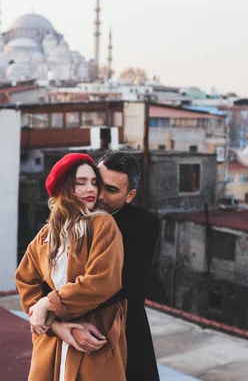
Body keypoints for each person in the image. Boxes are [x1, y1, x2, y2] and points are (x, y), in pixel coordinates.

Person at [14, 153, 127, 381]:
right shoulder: (46, 235)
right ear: (65, 188)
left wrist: (49, 302)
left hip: (95, 334)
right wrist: (56, 327)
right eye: (81, 183)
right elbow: (25, 280)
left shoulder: (102, 224)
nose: (91, 189)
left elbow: (103, 281)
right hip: (52, 342)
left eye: (94, 182)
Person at [67, 151, 161, 380]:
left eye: (111, 190)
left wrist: (54, 306)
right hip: (70, 326)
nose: (99, 194)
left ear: (130, 196)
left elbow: (125, 284)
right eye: (99, 184)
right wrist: (61, 326)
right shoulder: (71, 215)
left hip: (122, 327)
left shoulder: (143, 224)